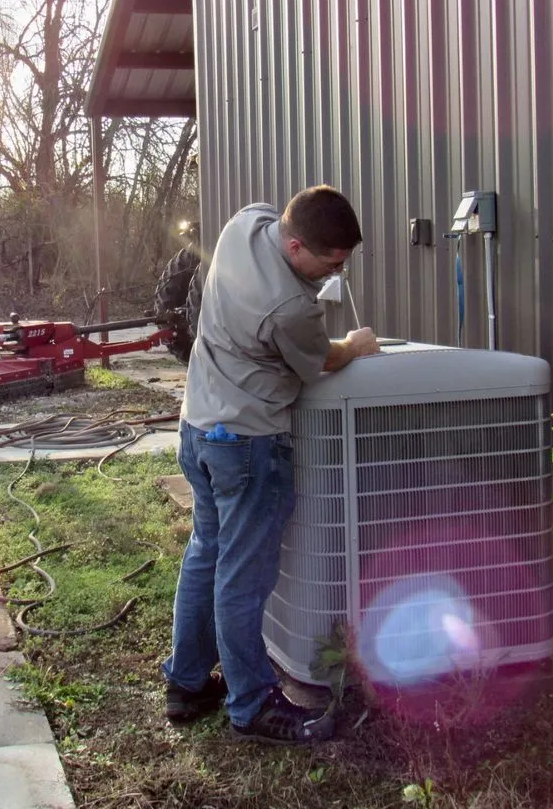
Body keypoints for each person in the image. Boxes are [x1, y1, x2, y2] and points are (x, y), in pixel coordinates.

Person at [162, 185, 380, 745]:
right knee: (243, 576)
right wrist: (355, 344)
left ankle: (186, 684)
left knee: (206, 554)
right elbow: (322, 361)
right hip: (247, 445)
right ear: (295, 244)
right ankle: (251, 705)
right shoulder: (289, 309)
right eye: (331, 261)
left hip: (198, 427)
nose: (339, 269)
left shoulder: (244, 224)